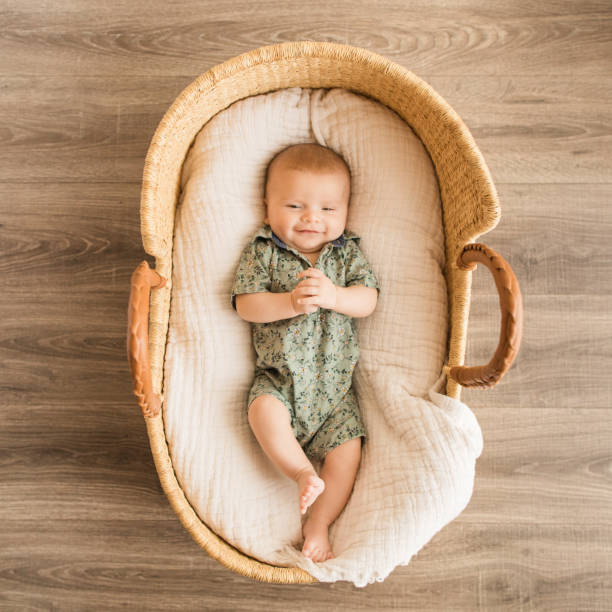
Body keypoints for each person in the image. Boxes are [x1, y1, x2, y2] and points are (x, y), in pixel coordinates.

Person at [231, 143, 380, 563]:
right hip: (279, 380)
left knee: (348, 451)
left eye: (328, 209)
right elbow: (246, 304)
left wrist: (335, 296)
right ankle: (300, 472)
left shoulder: (347, 253)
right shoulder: (264, 251)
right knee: (263, 411)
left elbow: (367, 300)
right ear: (267, 208)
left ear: (346, 212)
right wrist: (289, 303)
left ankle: (319, 524)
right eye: (295, 205)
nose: (312, 218)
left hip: (335, 393)